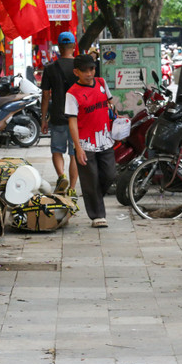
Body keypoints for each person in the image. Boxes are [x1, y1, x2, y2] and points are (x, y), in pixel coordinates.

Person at [65, 54, 116, 228]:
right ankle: (97, 215)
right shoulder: (72, 94)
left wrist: (118, 117)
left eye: (92, 69)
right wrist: (77, 148)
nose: (89, 73)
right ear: (76, 72)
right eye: (85, 70)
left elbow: (110, 103)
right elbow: (72, 122)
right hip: (86, 143)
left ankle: (94, 198)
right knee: (90, 179)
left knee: (110, 175)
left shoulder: (101, 83)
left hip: (106, 139)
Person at [41, 32, 79, 195]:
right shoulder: (80, 67)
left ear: (58, 47)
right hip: (76, 117)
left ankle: (61, 175)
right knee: (74, 153)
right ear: (74, 46)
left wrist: (43, 118)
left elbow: (45, 94)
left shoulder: (50, 68)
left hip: (57, 115)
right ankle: (71, 188)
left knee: (57, 150)